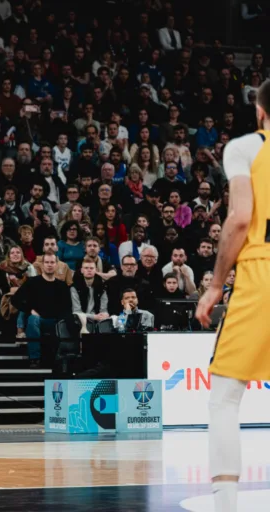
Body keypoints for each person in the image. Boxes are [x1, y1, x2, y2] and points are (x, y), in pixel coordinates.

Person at [195, 80, 270, 512]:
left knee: (224, 396)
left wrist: (215, 283)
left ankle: (225, 506)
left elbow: (240, 218)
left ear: (259, 112)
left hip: (260, 273)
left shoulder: (245, 148)